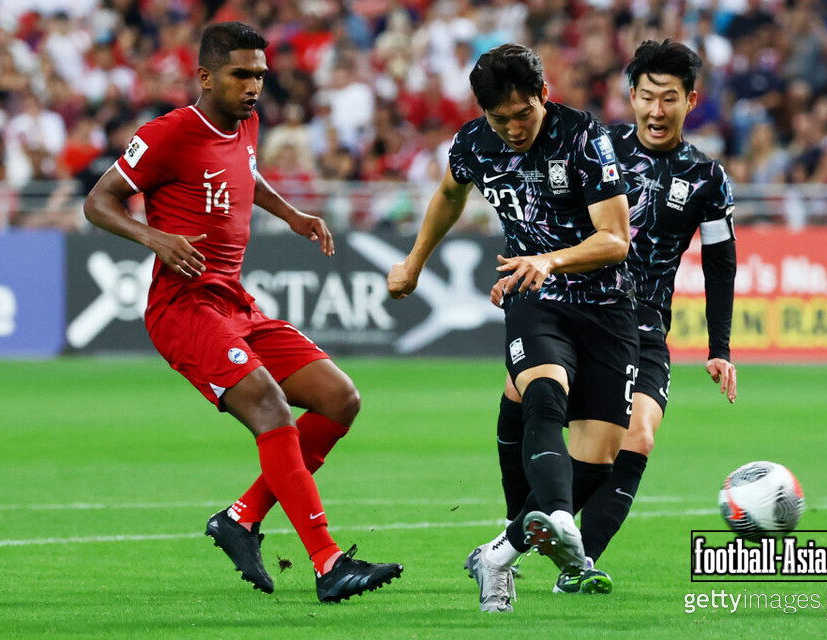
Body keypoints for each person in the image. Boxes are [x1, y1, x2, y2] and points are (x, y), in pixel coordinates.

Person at [83, 22, 401, 603]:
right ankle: (328, 562)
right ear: (206, 76)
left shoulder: (246, 122)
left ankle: (241, 517)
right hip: (182, 308)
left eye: (260, 74)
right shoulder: (167, 134)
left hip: (233, 300)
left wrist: (292, 214)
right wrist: (155, 239)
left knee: (340, 399)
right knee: (270, 407)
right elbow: (98, 202)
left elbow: (246, 172)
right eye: (241, 75)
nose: (254, 86)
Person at [388, 43, 638, 613]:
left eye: (524, 113)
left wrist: (550, 257)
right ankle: (553, 520)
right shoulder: (475, 145)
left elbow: (615, 239)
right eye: (500, 119)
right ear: (483, 114)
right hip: (533, 295)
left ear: (543, 96)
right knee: (543, 392)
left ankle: (500, 553)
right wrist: (413, 263)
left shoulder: (583, 138)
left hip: (605, 305)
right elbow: (450, 195)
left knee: (596, 465)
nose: (514, 128)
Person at [490, 39, 738, 596]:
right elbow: (536, 201)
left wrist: (719, 346)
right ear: (631, 96)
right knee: (526, 393)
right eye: (647, 96)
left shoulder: (708, 178)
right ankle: (516, 523)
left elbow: (721, 265)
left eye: (669, 99)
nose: (656, 110)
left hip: (645, 326)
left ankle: (576, 562)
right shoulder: (595, 145)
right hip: (579, 304)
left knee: (639, 437)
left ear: (689, 101)